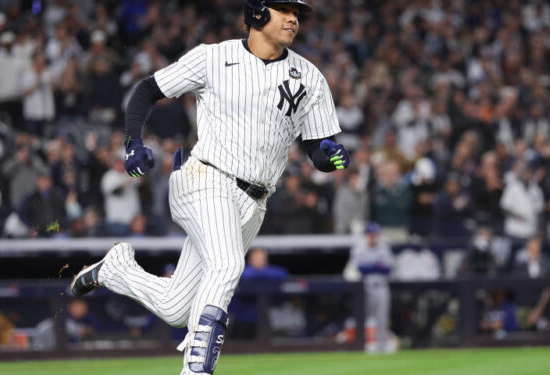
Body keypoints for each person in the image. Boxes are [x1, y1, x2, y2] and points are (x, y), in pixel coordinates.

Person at [70, 1, 350, 374]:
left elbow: (318, 149)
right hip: (205, 179)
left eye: (297, 12)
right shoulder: (213, 57)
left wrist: (329, 157)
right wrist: (133, 142)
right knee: (228, 263)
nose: (294, 18)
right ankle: (196, 369)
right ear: (258, 13)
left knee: (176, 308)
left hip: (254, 202)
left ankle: (116, 270)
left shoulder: (309, 76)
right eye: (284, 9)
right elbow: (146, 89)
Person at [346, 222, 395, 354]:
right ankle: (364, 344)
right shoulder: (359, 247)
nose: (373, 236)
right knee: (364, 316)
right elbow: (360, 268)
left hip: (382, 285)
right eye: (370, 234)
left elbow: (388, 268)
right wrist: (376, 266)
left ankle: (381, 346)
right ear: (366, 235)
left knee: (382, 317)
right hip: (365, 286)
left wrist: (373, 267)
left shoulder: (384, 246)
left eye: (375, 234)